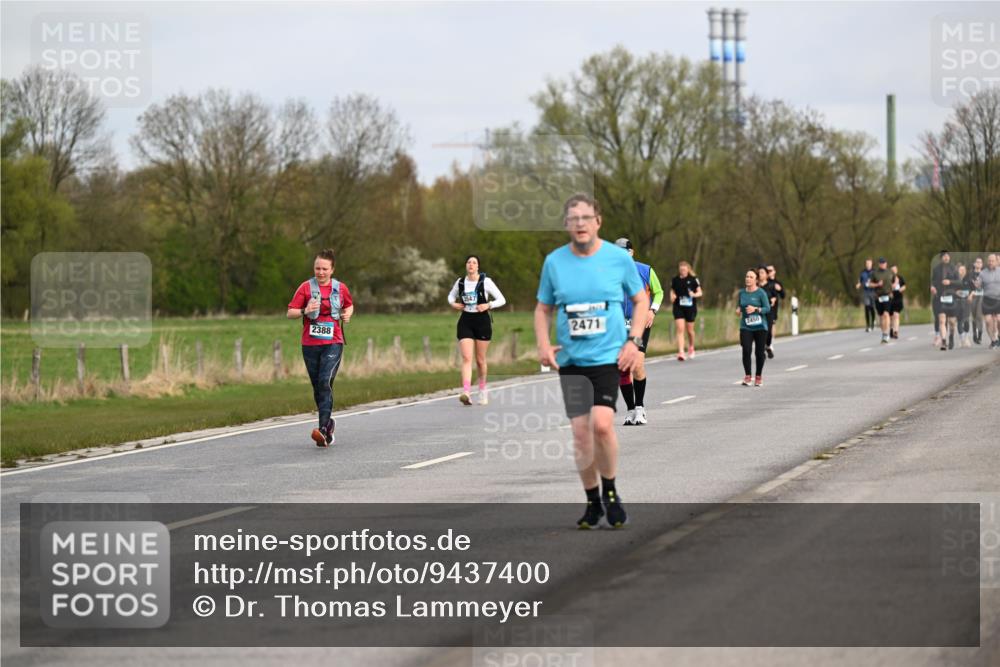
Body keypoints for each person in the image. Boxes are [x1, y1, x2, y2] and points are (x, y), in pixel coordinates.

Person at [535, 193, 647, 529]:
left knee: (601, 425)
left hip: (607, 357)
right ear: (566, 224)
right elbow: (543, 308)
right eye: (574, 219)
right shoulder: (555, 262)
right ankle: (592, 502)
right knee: (581, 434)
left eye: (586, 218)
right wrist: (543, 345)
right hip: (572, 361)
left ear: (598, 222)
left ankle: (611, 492)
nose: (580, 224)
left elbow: (640, 300)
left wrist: (634, 341)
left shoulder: (617, 259)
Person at [286, 249, 354, 448]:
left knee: (325, 381)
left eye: (325, 269)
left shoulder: (340, 288)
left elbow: (349, 305)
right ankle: (328, 425)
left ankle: (322, 429)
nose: (321, 272)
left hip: (333, 342)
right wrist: (304, 310)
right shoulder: (305, 288)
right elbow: (290, 312)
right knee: (318, 386)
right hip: (310, 344)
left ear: (332, 270)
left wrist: (347, 315)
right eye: (317, 268)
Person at [613, 238, 665, 426]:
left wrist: (652, 310)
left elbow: (659, 292)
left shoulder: (645, 270)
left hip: (639, 324)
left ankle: (640, 408)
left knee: (637, 364)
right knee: (623, 369)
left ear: (631, 253)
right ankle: (630, 410)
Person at [448, 255, 506, 405]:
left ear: (478, 266)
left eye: (474, 262)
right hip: (465, 320)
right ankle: (466, 392)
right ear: (466, 265)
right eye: (469, 262)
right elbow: (450, 297)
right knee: (467, 358)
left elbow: (502, 300)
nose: (471, 265)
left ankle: (482, 389)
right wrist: (453, 304)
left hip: (482, 321)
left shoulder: (486, 282)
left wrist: (488, 305)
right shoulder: (460, 282)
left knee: (480, 360)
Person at [737, 269, 771, 387]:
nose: (748, 279)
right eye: (747, 276)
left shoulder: (761, 293)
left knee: (759, 353)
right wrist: (738, 310)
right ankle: (747, 376)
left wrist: (756, 309)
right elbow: (740, 305)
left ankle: (758, 376)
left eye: (751, 277)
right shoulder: (742, 293)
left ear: (756, 280)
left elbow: (767, 308)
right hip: (746, 326)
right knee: (746, 350)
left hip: (760, 326)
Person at [669, 261, 702, 363]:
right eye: (681, 269)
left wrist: (694, 295)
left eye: (684, 269)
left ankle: (691, 346)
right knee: (680, 329)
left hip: (690, 307)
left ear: (688, 269)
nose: (682, 271)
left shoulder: (693, 279)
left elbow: (700, 292)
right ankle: (681, 352)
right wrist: (672, 296)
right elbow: (672, 291)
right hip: (678, 306)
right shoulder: (675, 279)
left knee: (690, 330)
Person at [930, 251, 960, 351]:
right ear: (941, 258)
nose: (946, 258)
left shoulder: (954, 268)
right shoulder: (936, 269)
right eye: (944, 256)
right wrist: (933, 287)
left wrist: (950, 282)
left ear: (949, 258)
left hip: (951, 297)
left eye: (947, 256)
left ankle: (951, 337)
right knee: (942, 320)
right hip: (940, 297)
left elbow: (959, 282)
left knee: (952, 322)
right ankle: (943, 341)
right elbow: (933, 282)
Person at [867, 257, 894, 344]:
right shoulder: (874, 273)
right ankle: (884, 333)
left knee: (886, 314)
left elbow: (895, 280)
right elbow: (869, 284)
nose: (883, 264)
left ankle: (886, 334)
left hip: (888, 296)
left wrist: (893, 288)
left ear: (886, 263)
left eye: (884, 263)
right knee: (881, 316)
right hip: (878, 296)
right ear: (879, 264)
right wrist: (877, 284)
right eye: (881, 263)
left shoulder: (890, 272)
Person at [976, 253, 1000, 349]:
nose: (990, 262)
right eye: (989, 261)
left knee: (999, 320)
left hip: (998, 299)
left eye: (992, 261)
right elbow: (979, 286)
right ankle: (993, 340)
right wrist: (977, 285)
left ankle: (999, 336)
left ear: (996, 261)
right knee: (988, 321)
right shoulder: (983, 273)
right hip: (987, 300)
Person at [757, 266, 779, 357]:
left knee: (769, 332)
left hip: (769, 311)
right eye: (759, 272)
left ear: (766, 275)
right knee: (759, 331)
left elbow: (775, 296)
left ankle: (767, 346)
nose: (760, 274)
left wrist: (774, 299)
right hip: (758, 312)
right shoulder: (755, 286)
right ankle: (762, 350)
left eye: (762, 272)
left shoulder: (771, 285)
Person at [764, 264, 785, 357]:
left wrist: (780, 289)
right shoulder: (764, 282)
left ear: (774, 271)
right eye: (767, 271)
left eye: (770, 270)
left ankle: (770, 343)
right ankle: (763, 344)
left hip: (773, 308)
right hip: (764, 307)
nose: (769, 272)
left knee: (772, 324)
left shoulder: (777, 283)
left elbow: (783, 295)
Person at [955, 263, 974, 348]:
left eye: (963, 270)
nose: (962, 271)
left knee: (966, 320)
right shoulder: (955, 280)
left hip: (967, 302)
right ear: (958, 271)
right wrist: (955, 292)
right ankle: (961, 338)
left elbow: (974, 289)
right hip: (957, 302)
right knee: (959, 320)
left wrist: (971, 295)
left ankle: (966, 337)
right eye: (960, 270)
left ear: (965, 271)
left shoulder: (969, 279)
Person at [855, 258, 876, 332]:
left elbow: (878, 281)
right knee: (867, 307)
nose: (868, 265)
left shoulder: (875, 272)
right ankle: (868, 325)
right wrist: (858, 284)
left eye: (869, 263)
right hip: (866, 292)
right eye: (867, 263)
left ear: (871, 264)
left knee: (872, 308)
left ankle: (873, 322)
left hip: (873, 292)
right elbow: (860, 281)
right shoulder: (862, 272)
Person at [970, 256, 985, 345]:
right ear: (974, 264)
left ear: (982, 265)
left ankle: (980, 334)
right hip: (973, 296)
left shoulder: (984, 274)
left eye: (980, 262)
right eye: (977, 262)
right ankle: (974, 334)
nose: (979, 263)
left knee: (979, 316)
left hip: (981, 296)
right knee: (974, 316)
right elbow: (967, 285)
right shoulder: (970, 275)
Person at [889, 265, 906, 339]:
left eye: (895, 270)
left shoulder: (900, 277)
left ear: (897, 270)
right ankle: (891, 328)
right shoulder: (888, 278)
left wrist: (901, 289)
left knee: (896, 315)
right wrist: (895, 283)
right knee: (891, 316)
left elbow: (904, 286)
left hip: (898, 298)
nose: (894, 271)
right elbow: (888, 287)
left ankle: (896, 331)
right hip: (891, 298)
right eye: (892, 270)